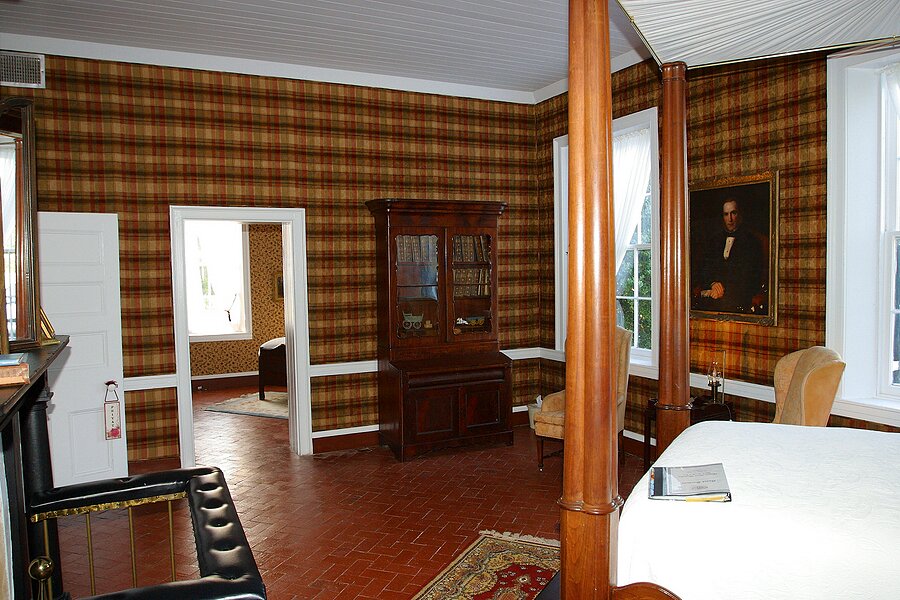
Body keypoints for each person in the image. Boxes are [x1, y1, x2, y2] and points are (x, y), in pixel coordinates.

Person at [692, 197, 768, 314]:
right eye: (726, 214)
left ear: (740, 214)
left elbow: (750, 278)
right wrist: (713, 283)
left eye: (733, 213)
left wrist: (722, 290)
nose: (730, 219)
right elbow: (704, 269)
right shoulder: (714, 240)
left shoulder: (752, 242)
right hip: (713, 296)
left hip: (739, 299)